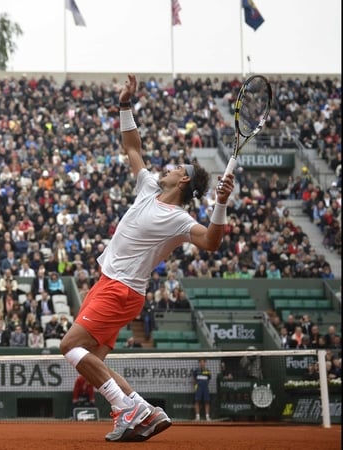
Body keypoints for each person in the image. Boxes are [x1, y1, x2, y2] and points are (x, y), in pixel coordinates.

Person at [59, 74, 234, 443]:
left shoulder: (179, 219)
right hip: (110, 283)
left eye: (177, 168)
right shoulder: (150, 186)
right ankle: (141, 410)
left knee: (69, 346)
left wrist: (220, 204)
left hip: (120, 290)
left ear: (183, 181)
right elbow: (132, 147)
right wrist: (125, 105)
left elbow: (212, 242)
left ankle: (128, 408)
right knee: (94, 360)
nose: (170, 167)